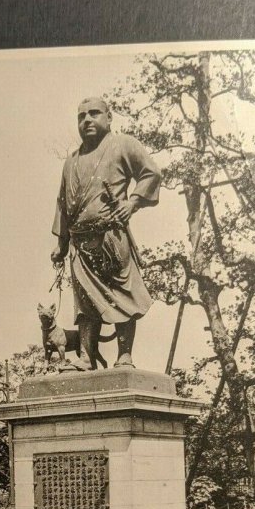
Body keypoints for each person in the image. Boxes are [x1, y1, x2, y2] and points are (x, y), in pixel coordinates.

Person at [51, 96, 162, 370]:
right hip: (80, 243)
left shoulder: (123, 144)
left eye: (94, 113)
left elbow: (151, 173)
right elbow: (63, 203)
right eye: (81, 116)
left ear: (109, 117)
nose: (87, 120)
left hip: (112, 238)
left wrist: (132, 202)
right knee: (85, 302)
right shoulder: (71, 161)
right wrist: (62, 243)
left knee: (122, 293)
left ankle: (124, 355)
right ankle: (86, 357)